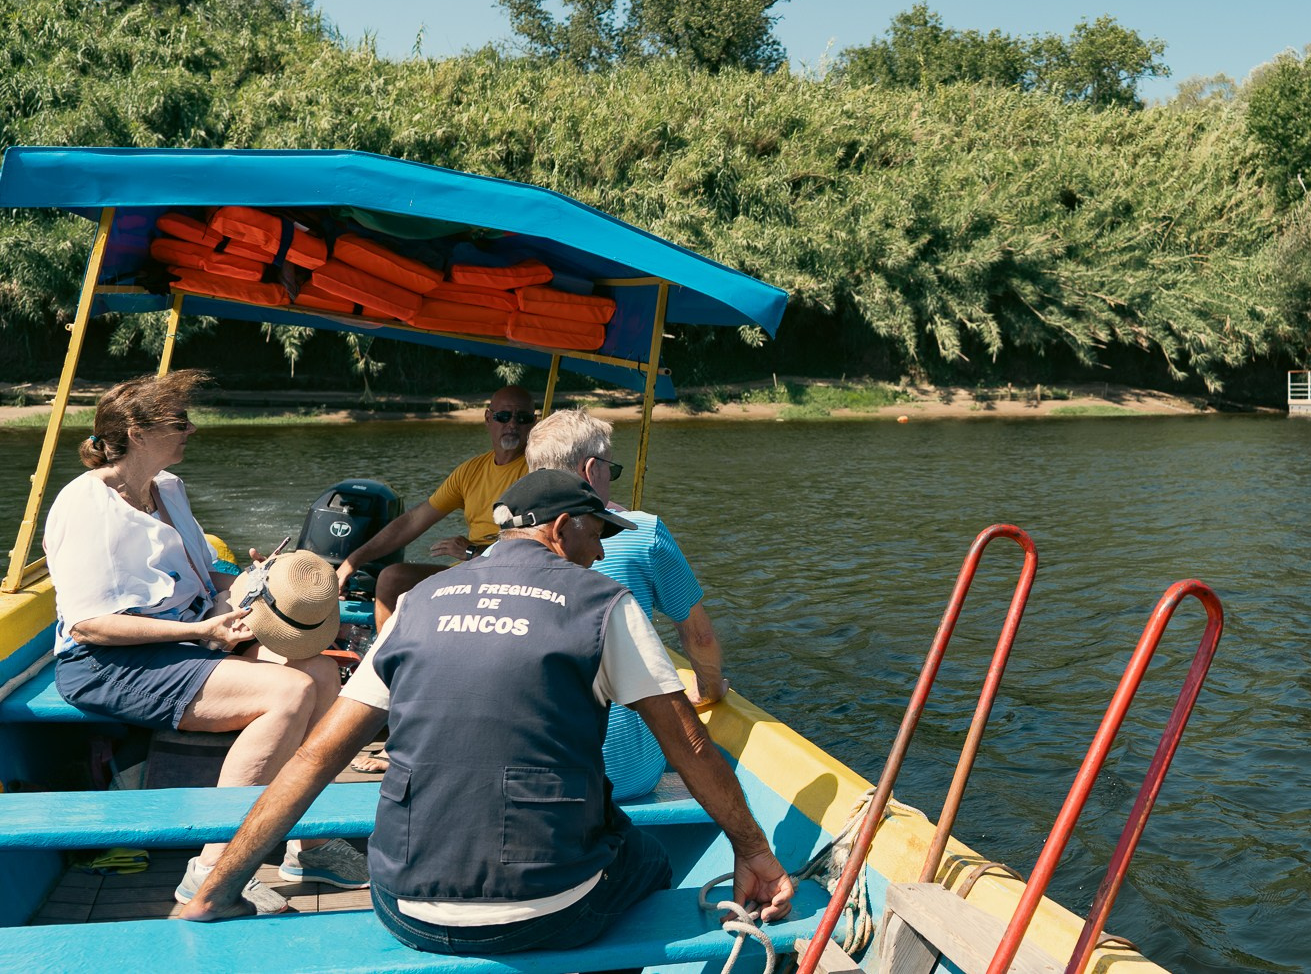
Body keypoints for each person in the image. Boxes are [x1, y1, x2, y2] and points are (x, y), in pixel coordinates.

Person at [177, 468, 795, 948]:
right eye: (595, 534)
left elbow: (315, 757)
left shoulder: (421, 600)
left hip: (405, 907)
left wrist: (218, 887)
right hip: (550, 912)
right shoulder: (602, 603)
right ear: (560, 529)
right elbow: (685, 745)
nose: (602, 553)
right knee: (650, 861)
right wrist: (753, 852)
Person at [44, 369, 368, 913]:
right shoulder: (85, 507)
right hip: (108, 661)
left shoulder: (166, 489)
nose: (191, 430)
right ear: (136, 432)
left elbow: (199, 577)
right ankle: (215, 864)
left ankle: (306, 843)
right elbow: (89, 625)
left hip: (187, 639)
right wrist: (200, 630)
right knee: (284, 694)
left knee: (319, 672)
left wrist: (247, 585)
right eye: (180, 422)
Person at [525, 409, 726, 801]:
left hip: (539, 773)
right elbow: (699, 637)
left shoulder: (507, 546)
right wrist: (711, 690)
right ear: (589, 471)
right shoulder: (644, 533)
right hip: (625, 773)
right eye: (610, 470)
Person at [333, 384, 535, 629]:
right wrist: (352, 562)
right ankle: (385, 663)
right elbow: (413, 520)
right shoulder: (470, 471)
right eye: (503, 416)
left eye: (522, 418)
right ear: (488, 418)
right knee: (392, 578)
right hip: (468, 572)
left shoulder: (538, 472)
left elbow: (535, 550)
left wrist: (474, 553)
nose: (512, 425)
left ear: (533, 423)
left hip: (511, 578)